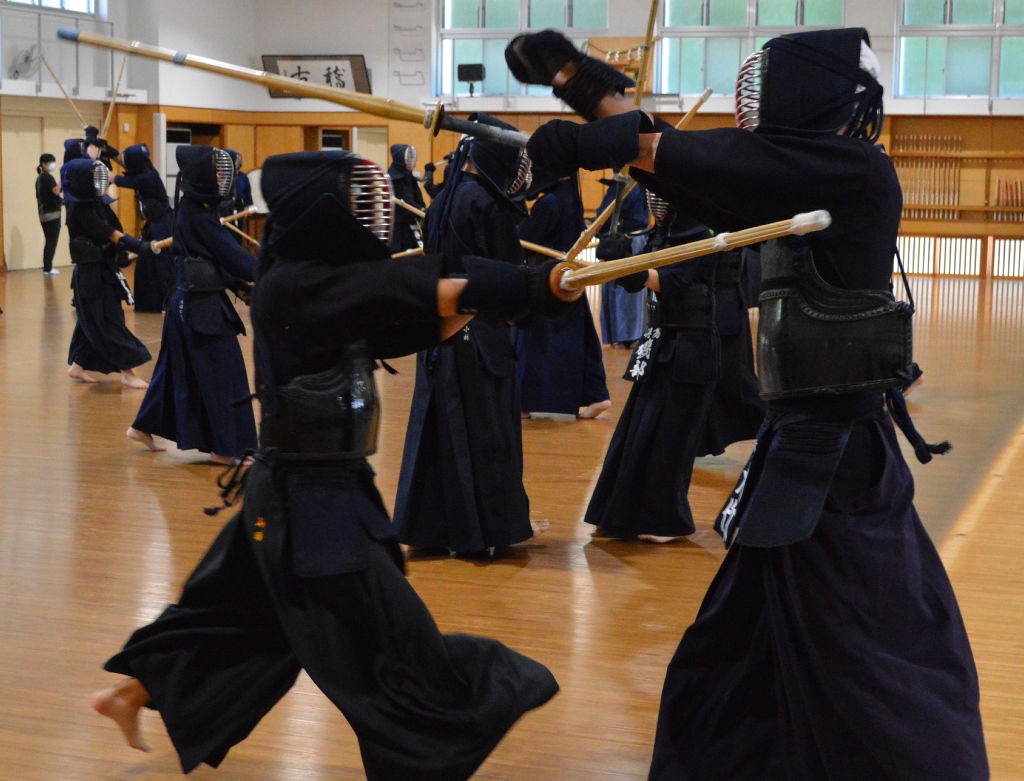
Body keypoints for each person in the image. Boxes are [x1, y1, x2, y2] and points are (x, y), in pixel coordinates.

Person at [509, 27, 988, 778]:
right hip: (800, 452)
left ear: (804, 95)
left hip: (836, 461)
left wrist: (616, 138)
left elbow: (706, 158)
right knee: (739, 649)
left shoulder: (856, 172)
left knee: (881, 652)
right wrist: (584, 87)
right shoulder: (797, 177)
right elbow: (697, 172)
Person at [92, 149, 570, 779]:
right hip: (310, 510)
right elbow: (414, 287)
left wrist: (531, 293)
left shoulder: (318, 286)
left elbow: (424, 316)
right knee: (393, 652)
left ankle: (128, 693)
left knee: (240, 621)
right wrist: (534, 286)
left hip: (307, 496)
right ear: (321, 211)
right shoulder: (294, 285)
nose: (371, 216)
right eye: (357, 201)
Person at [393, 113, 542, 557]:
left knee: (440, 433)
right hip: (479, 335)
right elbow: (509, 281)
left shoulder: (441, 200)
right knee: (485, 435)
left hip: (439, 333)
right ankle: (484, 534)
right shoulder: (487, 205)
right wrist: (538, 295)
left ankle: (437, 530)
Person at [584, 193, 764, 542]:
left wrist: (629, 268)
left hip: (692, 347)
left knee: (671, 440)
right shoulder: (663, 232)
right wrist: (619, 258)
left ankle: (664, 520)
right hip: (661, 340)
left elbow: (672, 280)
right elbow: (647, 272)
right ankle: (618, 513)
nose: (655, 203)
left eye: (661, 196)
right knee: (636, 432)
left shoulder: (699, 233)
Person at [127, 145, 257, 464]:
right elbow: (232, 257)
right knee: (222, 373)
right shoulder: (198, 214)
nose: (222, 177)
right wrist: (277, 269)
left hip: (190, 303)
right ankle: (224, 448)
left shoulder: (198, 208)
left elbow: (216, 259)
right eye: (215, 171)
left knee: (176, 372)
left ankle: (141, 427)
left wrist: (241, 289)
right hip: (197, 307)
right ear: (201, 177)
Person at [514, 167, 611, 419]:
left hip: (545, 282)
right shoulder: (572, 199)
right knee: (582, 337)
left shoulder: (549, 202)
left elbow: (525, 238)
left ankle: (524, 401)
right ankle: (597, 395)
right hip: (568, 277)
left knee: (535, 341)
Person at [62, 156, 157, 388]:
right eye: (94, 177)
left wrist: (122, 253)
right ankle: (128, 371)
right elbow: (109, 233)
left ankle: (78, 366)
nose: (100, 181)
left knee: (90, 322)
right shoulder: (80, 210)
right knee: (107, 322)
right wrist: (141, 247)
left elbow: (115, 231)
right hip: (91, 275)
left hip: (103, 270)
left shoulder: (98, 204)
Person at [114, 143, 176, 312]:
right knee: (145, 262)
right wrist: (106, 149)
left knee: (162, 264)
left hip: (162, 224)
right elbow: (122, 161)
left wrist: (98, 171)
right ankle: (149, 303)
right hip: (153, 224)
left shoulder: (147, 177)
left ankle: (169, 302)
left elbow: (120, 180)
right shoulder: (144, 170)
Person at [594, 177, 648, 347]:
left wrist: (598, 230)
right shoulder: (641, 185)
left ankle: (624, 336)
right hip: (636, 239)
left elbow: (602, 219)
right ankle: (630, 335)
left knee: (624, 289)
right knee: (631, 289)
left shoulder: (624, 187)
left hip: (624, 242)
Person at [387, 143, 426, 253]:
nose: (411, 160)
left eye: (411, 158)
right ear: (401, 159)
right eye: (408, 158)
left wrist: (423, 210)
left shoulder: (409, 177)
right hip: (399, 228)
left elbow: (417, 197)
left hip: (411, 223)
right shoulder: (394, 179)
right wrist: (420, 210)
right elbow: (406, 201)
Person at [36, 153, 63, 275]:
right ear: (43, 164)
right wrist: (63, 179)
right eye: (51, 162)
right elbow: (56, 191)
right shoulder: (47, 177)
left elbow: (47, 196)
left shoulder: (39, 179)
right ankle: (48, 268)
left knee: (49, 241)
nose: (53, 164)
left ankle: (47, 267)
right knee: (52, 241)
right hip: (53, 215)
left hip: (43, 215)